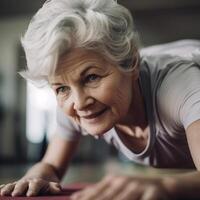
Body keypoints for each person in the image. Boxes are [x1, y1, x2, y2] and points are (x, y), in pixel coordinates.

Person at [1, 0, 200, 199]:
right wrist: (35, 176)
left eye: (91, 77)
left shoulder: (181, 87)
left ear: (132, 63)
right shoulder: (71, 102)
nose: (79, 103)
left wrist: (167, 186)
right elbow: (51, 165)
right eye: (61, 88)